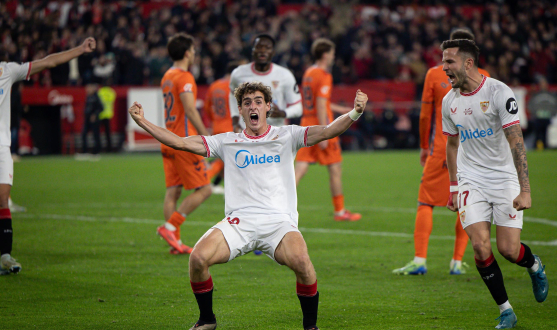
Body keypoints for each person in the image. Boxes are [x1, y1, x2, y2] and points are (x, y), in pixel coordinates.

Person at [128, 82, 368, 330]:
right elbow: (180, 143)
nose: (252, 106)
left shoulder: (288, 135)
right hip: (239, 223)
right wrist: (143, 122)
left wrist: (355, 112)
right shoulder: (226, 141)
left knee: (303, 263)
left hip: (279, 223)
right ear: (241, 111)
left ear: (268, 107)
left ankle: (310, 327)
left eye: (257, 101)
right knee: (198, 259)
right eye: (247, 103)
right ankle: (207, 320)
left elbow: (328, 130)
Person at [441, 38, 548, 328]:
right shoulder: (448, 101)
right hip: (470, 179)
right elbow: (451, 146)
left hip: (503, 178)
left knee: (509, 250)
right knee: (480, 247)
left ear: (468, 63)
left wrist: (525, 189)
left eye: (449, 61)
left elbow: (516, 142)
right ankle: (506, 310)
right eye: (443, 61)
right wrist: (453, 187)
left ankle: (534, 264)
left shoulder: (499, 92)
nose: (444, 67)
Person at [394, 29, 491, 275]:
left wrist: (424, 147)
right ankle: (457, 262)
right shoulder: (484, 77)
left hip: (442, 148)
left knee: (425, 202)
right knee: (466, 204)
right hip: (473, 152)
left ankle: (419, 260)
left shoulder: (434, 74)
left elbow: (426, 114)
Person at [0, 37, 96, 275]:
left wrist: (80, 49)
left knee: (3, 200)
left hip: (1, 146)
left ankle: (5, 255)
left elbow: (48, 62)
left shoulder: (6, 70)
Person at [156, 33, 212, 255]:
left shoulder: (167, 76)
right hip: (184, 142)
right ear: (187, 52)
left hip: (168, 139)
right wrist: (205, 136)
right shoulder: (185, 77)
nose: (195, 53)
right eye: (194, 50)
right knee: (205, 189)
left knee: (173, 192)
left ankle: (175, 242)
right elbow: (190, 109)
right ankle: (170, 227)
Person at [295, 38, 360, 221]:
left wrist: (341, 110)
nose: (333, 56)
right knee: (335, 168)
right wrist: (325, 135)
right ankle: (340, 211)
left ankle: (278, 207)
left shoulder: (309, 72)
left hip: (305, 124)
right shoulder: (324, 75)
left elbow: (318, 101)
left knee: (299, 169)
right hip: (321, 125)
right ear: (325, 54)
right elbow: (321, 106)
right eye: (331, 53)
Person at [229, 34, 302, 132]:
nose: (263, 51)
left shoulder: (285, 75)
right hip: (247, 134)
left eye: (267, 48)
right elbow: (233, 96)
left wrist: (283, 113)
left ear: (273, 52)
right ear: (253, 50)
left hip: (275, 134)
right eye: (259, 47)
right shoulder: (238, 73)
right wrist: (235, 121)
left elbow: (298, 107)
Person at [203, 62, 239, 195]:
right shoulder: (234, 87)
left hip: (217, 126)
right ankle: (204, 179)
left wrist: (214, 120)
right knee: (224, 159)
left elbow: (207, 107)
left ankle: (215, 184)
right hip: (230, 127)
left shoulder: (215, 85)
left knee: (228, 159)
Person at [528, 77, 557, 150]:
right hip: (538, 119)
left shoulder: (552, 95)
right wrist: (534, 114)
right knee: (537, 135)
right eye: (542, 84)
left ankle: (546, 148)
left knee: (546, 136)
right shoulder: (535, 95)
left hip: (547, 118)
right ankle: (535, 148)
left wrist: (552, 114)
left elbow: (554, 106)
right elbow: (530, 106)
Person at [80, 84, 103, 157]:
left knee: (96, 135)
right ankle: (84, 151)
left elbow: (101, 108)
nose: (87, 90)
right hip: (87, 119)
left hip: (94, 120)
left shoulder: (96, 97)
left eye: (89, 89)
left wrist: (95, 115)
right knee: (84, 134)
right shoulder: (88, 97)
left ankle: (96, 151)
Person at [98, 86, 117, 152]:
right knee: (108, 134)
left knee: (97, 133)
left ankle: (99, 148)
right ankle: (109, 148)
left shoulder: (100, 92)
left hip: (100, 115)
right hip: (108, 115)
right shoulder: (111, 92)